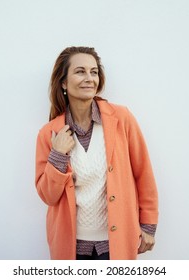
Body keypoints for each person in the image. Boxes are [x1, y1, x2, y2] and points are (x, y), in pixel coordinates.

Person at [35, 46, 159, 260]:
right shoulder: (50, 133)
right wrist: (58, 156)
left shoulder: (121, 119)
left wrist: (148, 224)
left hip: (117, 242)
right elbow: (48, 196)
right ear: (63, 82)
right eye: (80, 71)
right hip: (71, 247)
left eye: (94, 72)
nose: (89, 78)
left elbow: (143, 172)